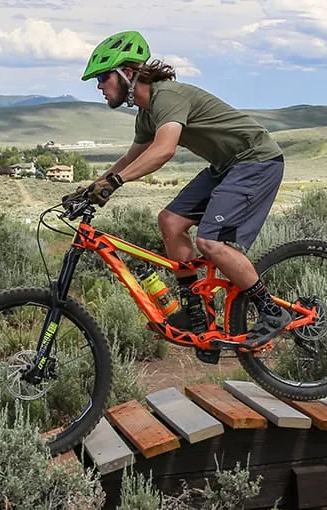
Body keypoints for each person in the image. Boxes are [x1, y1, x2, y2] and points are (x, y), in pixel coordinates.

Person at [65, 30, 289, 364]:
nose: (99, 86)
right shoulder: (146, 113)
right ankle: (199, 318)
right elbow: (130, 159)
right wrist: (93, 188)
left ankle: (271, 311)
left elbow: (164, 149)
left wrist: (114, 182)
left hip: (256, 160)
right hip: (227, 165)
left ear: (128, 73)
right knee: (170, 221)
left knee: (211, 243)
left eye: (102, 77)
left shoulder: (166, 96)